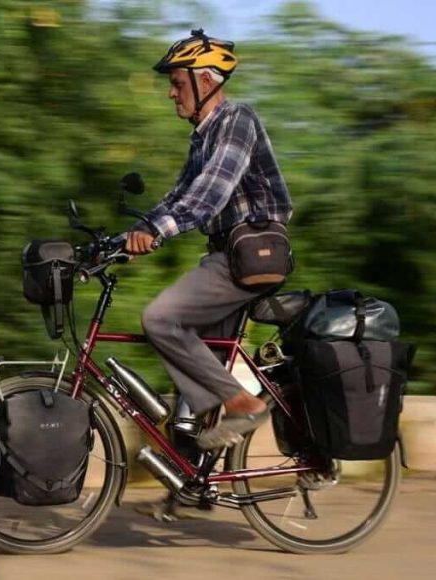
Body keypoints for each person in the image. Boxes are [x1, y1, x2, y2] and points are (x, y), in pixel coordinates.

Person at [127, 30, 294, 452]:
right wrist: (122, 238)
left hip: (248, 256)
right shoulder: (203, 136)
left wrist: (156, 232)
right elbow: (177, 196)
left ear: (206, 82)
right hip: (225, 257)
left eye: (177, 83)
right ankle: (193, 487)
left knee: (160, 319)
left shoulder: (237, 120)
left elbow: (208, 196)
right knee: (198, 373)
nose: (170, 93)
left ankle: (244, 404)